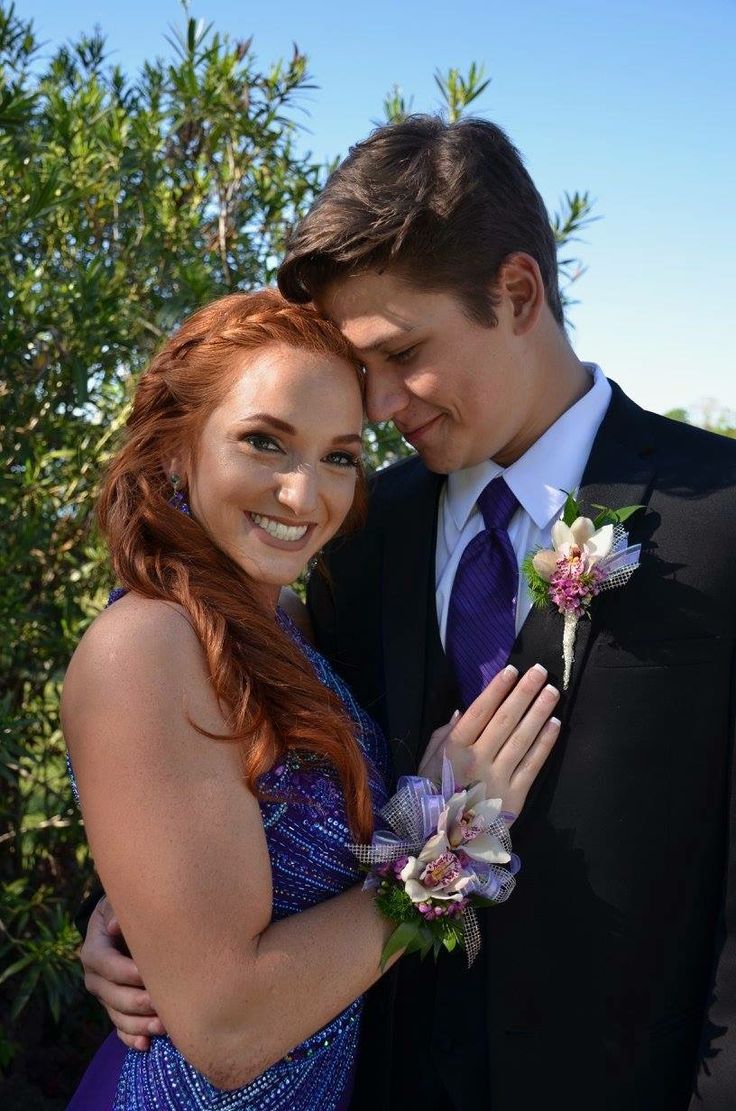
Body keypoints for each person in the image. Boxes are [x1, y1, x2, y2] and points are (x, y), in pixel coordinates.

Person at [81, 116, 736, 1110]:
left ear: (516, 294)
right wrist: (142, 915)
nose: (378, 405)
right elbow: (258, 785)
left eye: (403, 353)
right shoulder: (354, 532)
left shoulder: (722, 521)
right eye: (359, 369)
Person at [64, 287, 561, 1110]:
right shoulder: (144, 647)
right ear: (174, 449)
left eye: (339, 456)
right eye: (265, 442)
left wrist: (131, 915)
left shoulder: (286, 618)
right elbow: (225, 1031)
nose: (306, 496)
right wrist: (443, 838)